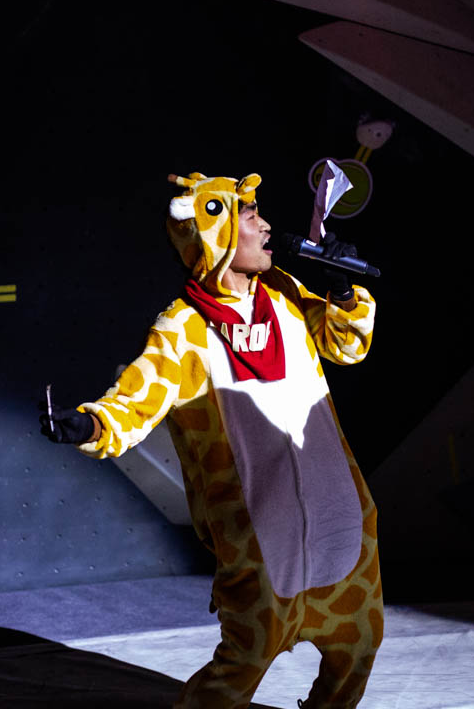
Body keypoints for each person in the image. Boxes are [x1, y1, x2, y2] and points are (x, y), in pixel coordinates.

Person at [40, 172, 382, 709]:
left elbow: (348, 346)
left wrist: (341, 289)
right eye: (251, 216)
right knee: (245, 659)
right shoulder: (183, 328)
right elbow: (137, 398)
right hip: (259, 533)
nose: (266, 226)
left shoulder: (285, 294)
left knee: (357, 642)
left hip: (335, 512)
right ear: (214, 236)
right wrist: (91, 425)